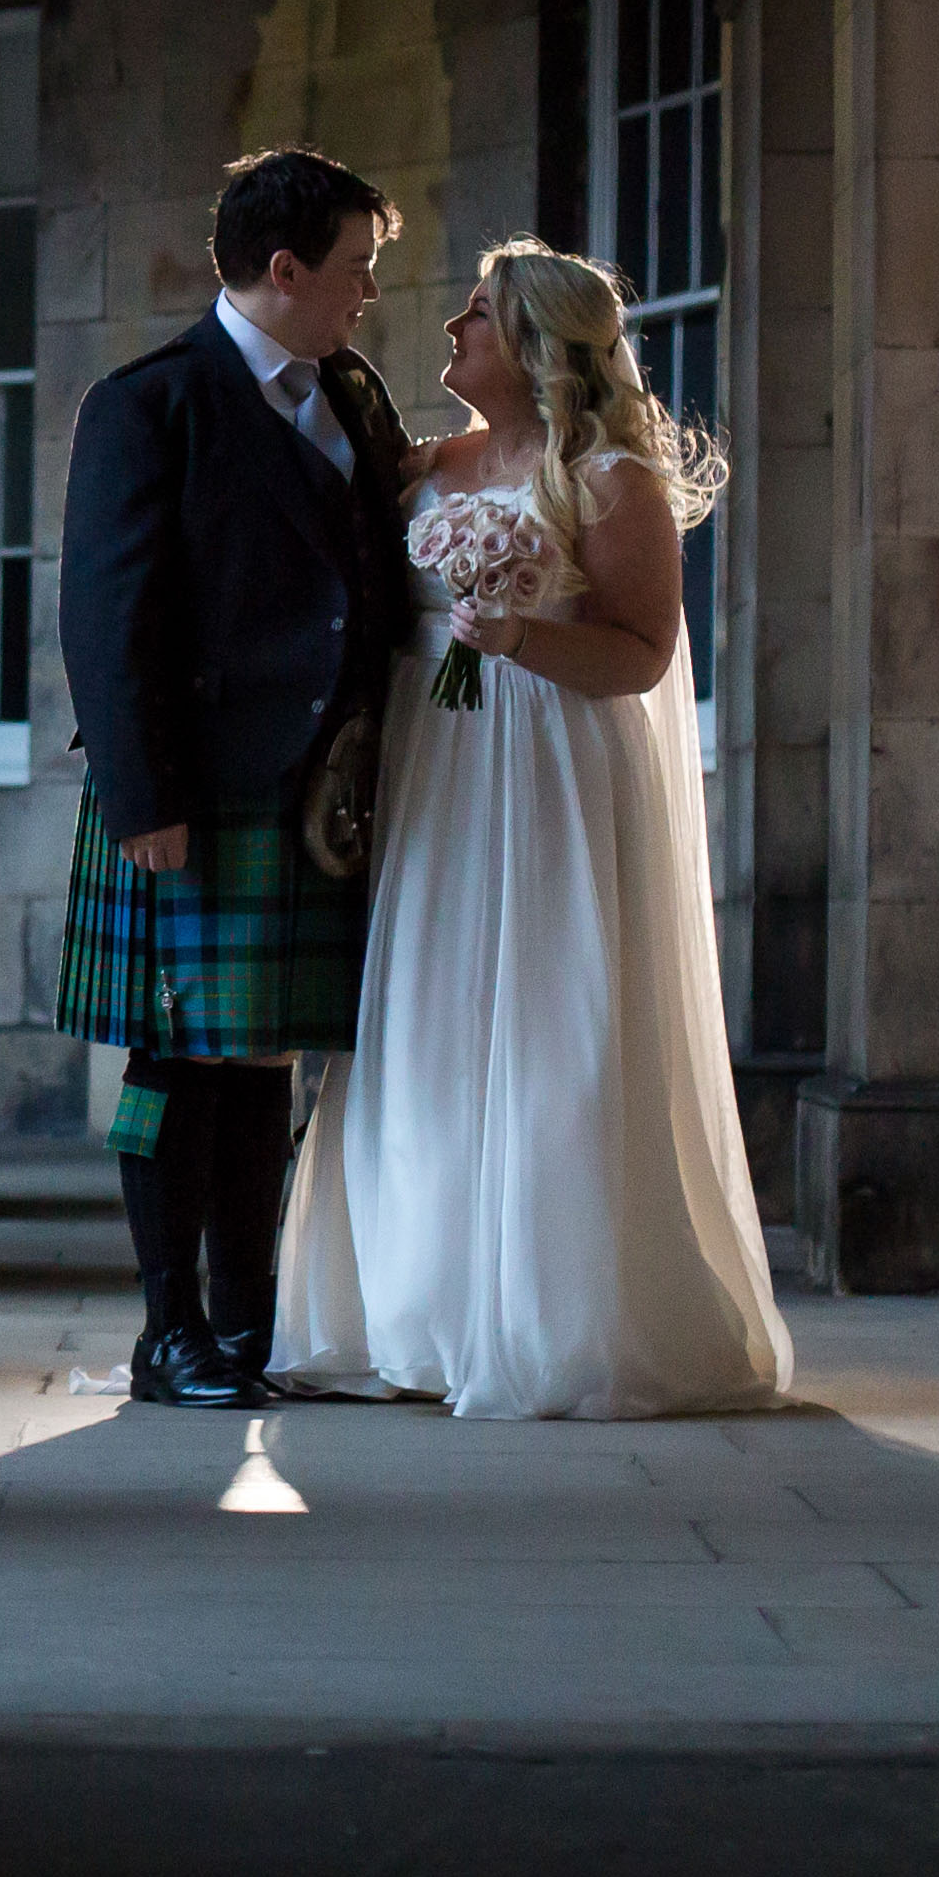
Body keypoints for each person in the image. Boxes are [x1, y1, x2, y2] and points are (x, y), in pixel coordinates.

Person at [273, 240, 795, 1419]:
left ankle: (555, 1313)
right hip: (435, 769)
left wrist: (518, 639)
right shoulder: (429, 462)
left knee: (554, 1019)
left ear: (536, 344)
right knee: (424, 1017)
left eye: (478, 311)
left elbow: (645, 651)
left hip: (547, 767)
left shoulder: (610, 477)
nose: (451, 324)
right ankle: (418, 1308)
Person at [47, 149, 418, 1407]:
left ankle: (244, 1324)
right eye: (356, 266)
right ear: (284, 267)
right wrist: (145, 795)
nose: (367, 291)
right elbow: (106, 615)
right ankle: (167, 1330)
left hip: (318, 790)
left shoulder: (352, 393)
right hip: (194, 787)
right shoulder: (148, 402)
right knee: (169, 1061)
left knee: (261, 1059)